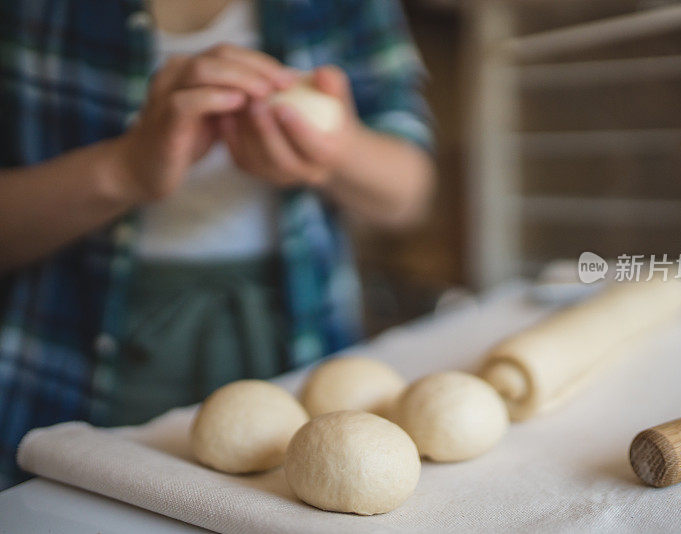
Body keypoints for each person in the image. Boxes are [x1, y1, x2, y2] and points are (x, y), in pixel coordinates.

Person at [0, 0, 434, 488]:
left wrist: (340, 152)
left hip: (300, 337)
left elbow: (409, 194)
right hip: (67, 352)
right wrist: (125, 170)